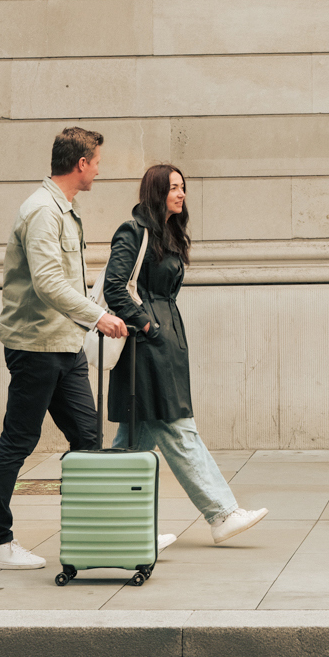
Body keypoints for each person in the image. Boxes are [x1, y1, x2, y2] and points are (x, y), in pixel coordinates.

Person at [0, 127, 130, 570]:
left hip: (65, 344)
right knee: (19, 441)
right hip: (36, 347)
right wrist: (97, 315)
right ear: (81, 163)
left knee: (87, 437)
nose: (99, 170)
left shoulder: (65, 209)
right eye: (97, 161)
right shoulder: (43, 211)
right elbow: (47, 283)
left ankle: (99, 530)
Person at [104, 164, 268, 545]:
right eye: (173, 188)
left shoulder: (167, 234)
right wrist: (148, 326)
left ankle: (124, 527)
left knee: (133, 442)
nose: (181, 194)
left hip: (164, 342)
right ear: (157, 191)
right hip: (146, 348)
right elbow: (115, 286)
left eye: (182, 187)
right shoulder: (134, 232)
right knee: (179, 429)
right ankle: (222, 513)